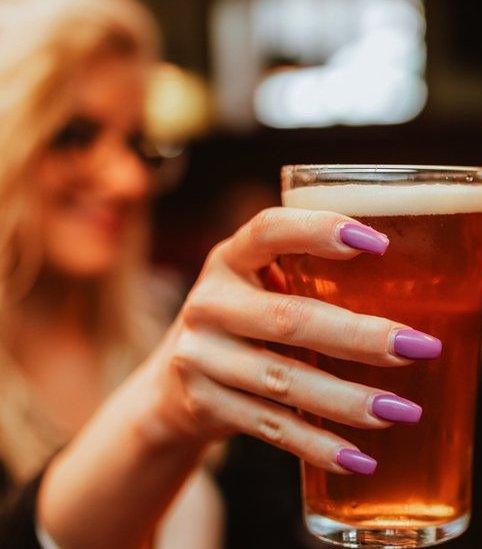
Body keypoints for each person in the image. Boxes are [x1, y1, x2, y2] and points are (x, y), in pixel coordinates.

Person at [0, 1, 437, 547]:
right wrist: (159, 415)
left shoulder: (179, 323)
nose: (129, 180)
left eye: (137, 143)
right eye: (74, 135)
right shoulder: (187, 350)